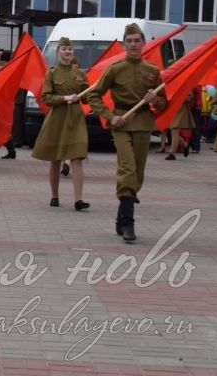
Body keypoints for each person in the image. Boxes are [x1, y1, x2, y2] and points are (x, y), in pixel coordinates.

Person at [86, 23, 166, 243]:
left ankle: (121, 217)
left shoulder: (152, 70)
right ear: (123, 44)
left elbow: (163, 104)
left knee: (137, 174)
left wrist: (155, 100)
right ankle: (129, 224)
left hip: (143, 123)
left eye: (136, 40)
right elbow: (94, 96)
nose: (133, 44)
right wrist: (110, 117)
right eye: (128, 41)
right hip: (121, 122)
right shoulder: (114, 69)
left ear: (143, 43)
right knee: (127, 168)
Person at [31, 37, 90, 210]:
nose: (67, 52)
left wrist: (88, 92)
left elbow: (87, 97)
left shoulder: (80, 73)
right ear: (58, 53)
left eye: (70, 49)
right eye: (64, 49)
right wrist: (65, 98)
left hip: (76, 118)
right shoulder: (52, 73)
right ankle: (54, 196)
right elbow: (46, 98)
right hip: (58, 117)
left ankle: (78, 200)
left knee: (77, 157)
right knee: (55, 159)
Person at [166, 92, 196, 160]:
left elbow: (190, 98)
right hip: (172, 109)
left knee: (174, 131)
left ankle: (172, 154)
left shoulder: (186, 84)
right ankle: (185, 145)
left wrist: (180, 96)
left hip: (180, 110)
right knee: (173, 132)